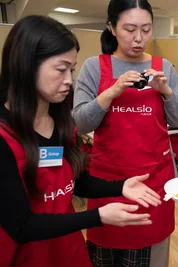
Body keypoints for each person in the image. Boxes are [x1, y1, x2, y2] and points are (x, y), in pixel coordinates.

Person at [0, 15, 161, 267]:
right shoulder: (5, 136)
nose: (69, 80)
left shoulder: (62, 122)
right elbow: (21, 225)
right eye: (61, 69)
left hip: (67, 248)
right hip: (26, 255)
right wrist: (96, 216)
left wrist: (121, 187)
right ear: (26, 66)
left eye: (72, 70)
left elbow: (76, 182)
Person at [72, 0, 178, 266]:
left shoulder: (164, 66)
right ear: (111, 28)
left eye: (146, 30)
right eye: (129, 29)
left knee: (151, 254)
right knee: (105, 254)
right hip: (108, 180)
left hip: (154, 180)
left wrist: (166, 92)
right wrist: (112, 91)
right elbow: (80, 123)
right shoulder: (94, 67)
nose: (139, 38)